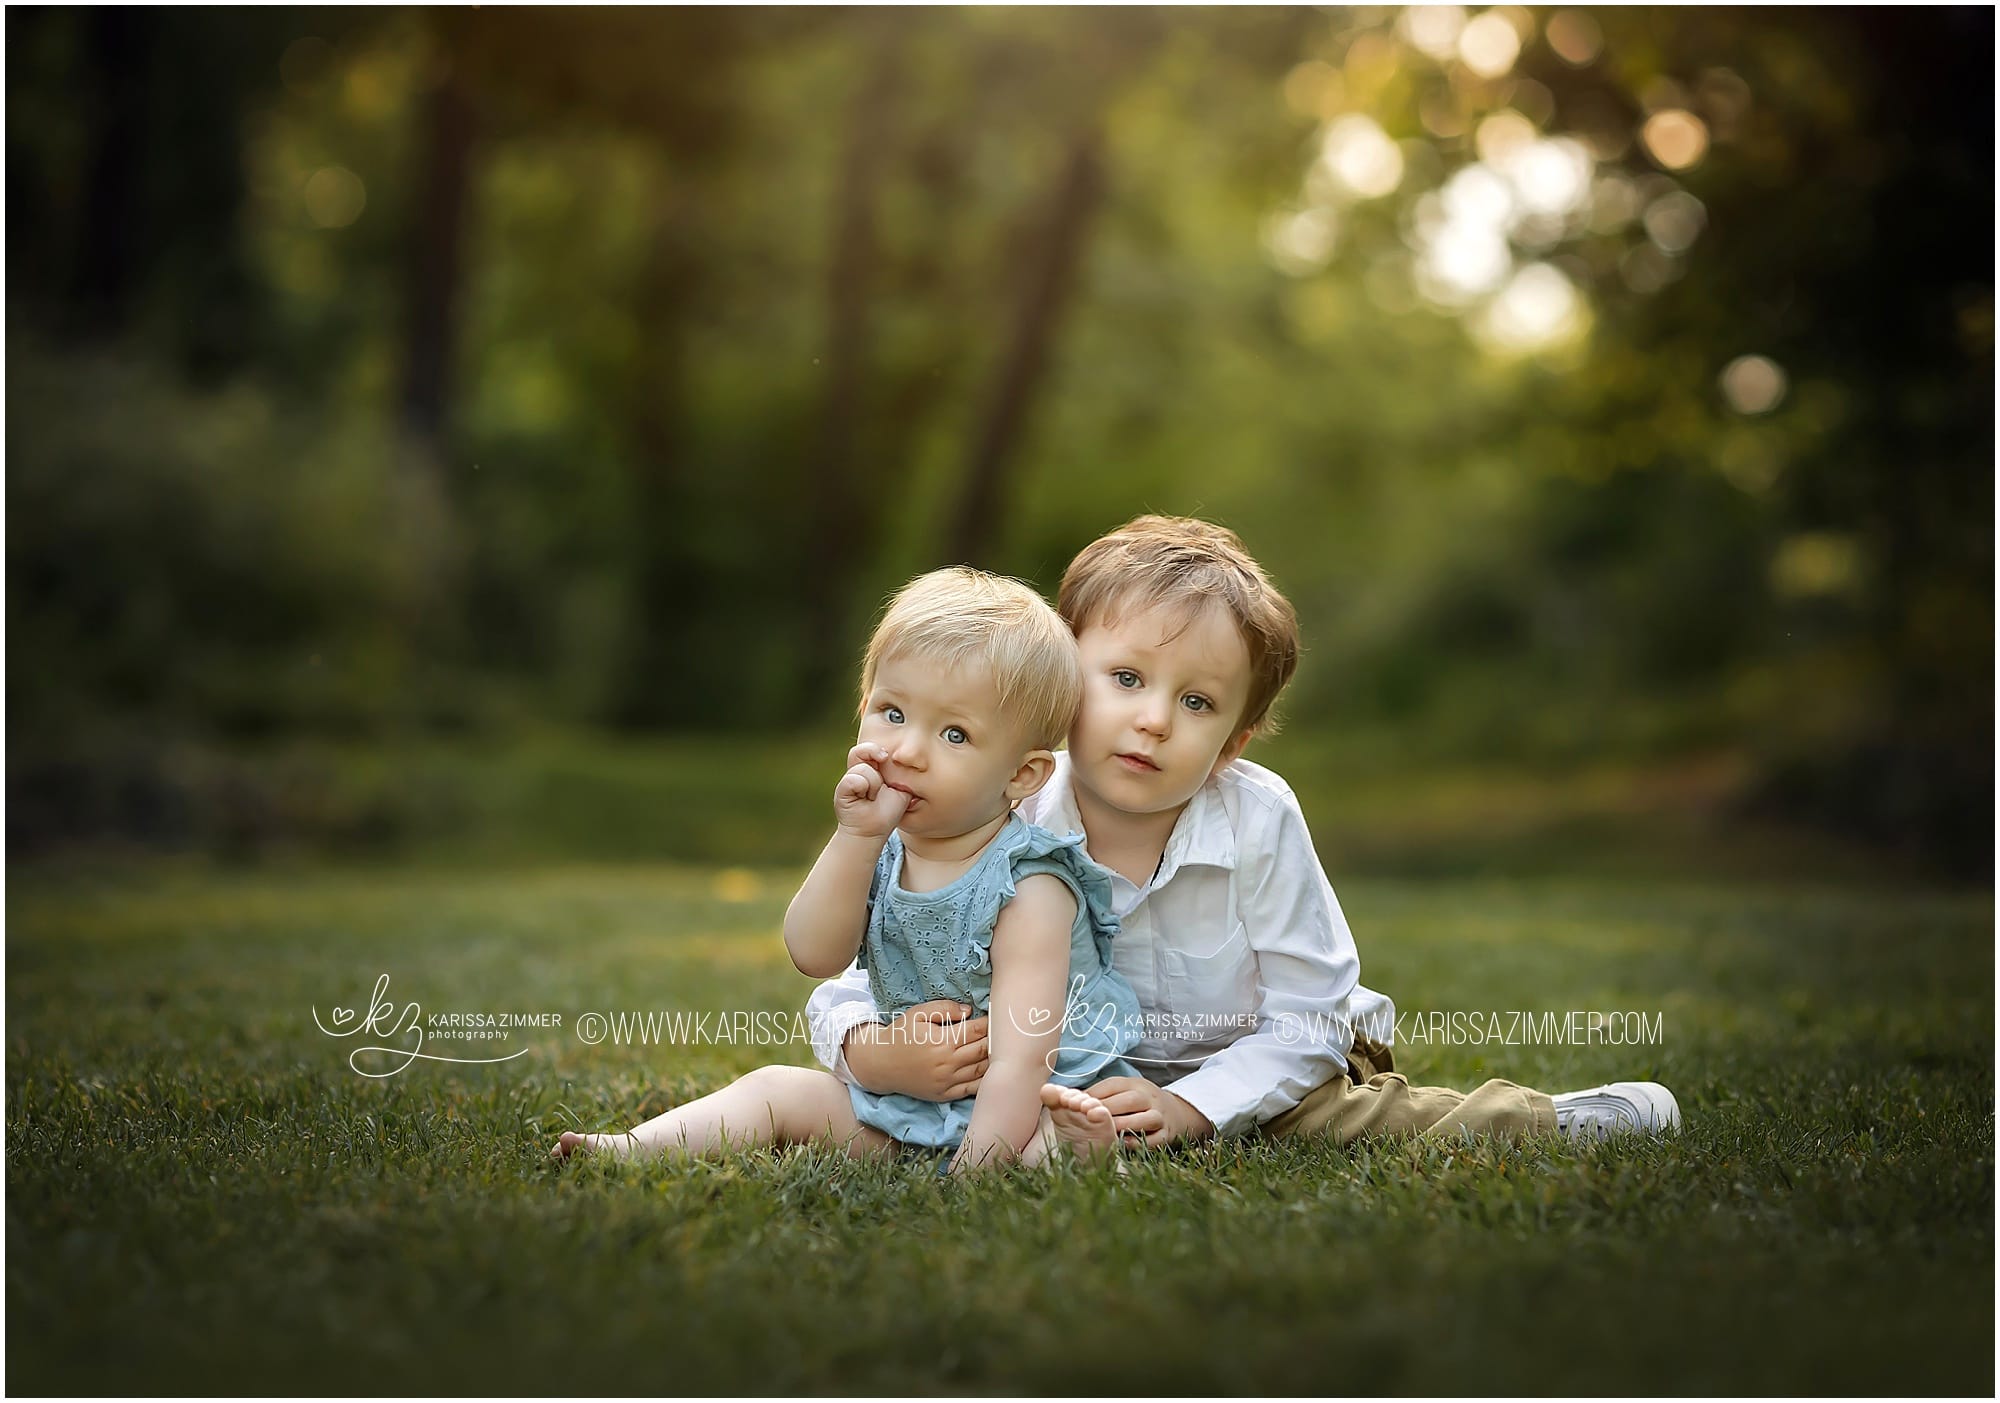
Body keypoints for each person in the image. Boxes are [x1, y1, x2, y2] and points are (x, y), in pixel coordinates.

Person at [807, 516, 1681, 1146]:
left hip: (1256, 1057)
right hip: (1072, 1072)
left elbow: (1310, 1017)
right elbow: (864, 963)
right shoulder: (997, 807)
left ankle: (1550, 1120)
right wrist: (867, 1050)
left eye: (1195, 702)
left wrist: (1198, 1104)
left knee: (1345, 1121)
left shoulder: (1256, 818)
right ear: (1058, 677)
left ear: (1233, 740)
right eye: (1123, 676)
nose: (1152, 719)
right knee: (1005, 1117)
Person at [552, 567, 1142, 1170]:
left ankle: (1071, 1150)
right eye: (892, 713)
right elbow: (813, 952)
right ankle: (627, 1152)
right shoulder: (878, 847)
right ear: (863, 707)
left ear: (1022, 775)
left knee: (1045, 1139)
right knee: (775, 1091)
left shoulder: (1032, 884)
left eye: (955, 734)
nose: (908, 751)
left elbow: (1022, 1059)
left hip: (1025, 1100)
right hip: (908, 1097)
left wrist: (972, 1175)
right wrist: (855, 837)